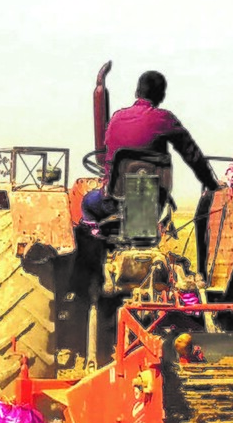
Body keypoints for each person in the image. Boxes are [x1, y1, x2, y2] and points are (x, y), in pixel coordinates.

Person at [83, 70, 220, 273]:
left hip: (113, 202)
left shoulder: (117, 117)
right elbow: (192, 154)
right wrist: (211, 183)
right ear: (161, 96)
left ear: (137, 92)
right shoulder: (164, 119)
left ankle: (96, 254)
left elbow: (107, 154)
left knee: (87, 203)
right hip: (152, 205)